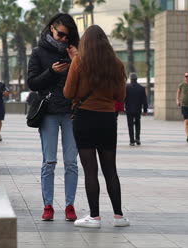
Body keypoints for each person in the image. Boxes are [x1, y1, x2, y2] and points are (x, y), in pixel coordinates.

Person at [64, 25, 130, 228]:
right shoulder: (117, 64)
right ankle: (119, 216)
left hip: (84, 118)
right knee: (110, 169)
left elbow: (68, 93)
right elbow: (120, 96)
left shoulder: (79, 61)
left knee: (90, 170)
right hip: (108, 119)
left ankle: (94, 217)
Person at [27, 13, 80, 222]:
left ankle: (70, 206)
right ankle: (48, 205)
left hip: (70, 112)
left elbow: (87, 78)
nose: (64, 39)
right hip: (48, 112)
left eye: (68, 36)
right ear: (51, 28)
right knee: (49, 161)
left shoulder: (74, 51)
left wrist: (77, 59)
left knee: (71, 163)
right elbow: (32, 83)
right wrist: (51, 71)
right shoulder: (38, 52)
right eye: (60, 34)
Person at [125, 73, 148, 146]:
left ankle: (132, 141)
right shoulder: (141, 88)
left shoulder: (126, 88)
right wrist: (145, 110)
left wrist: (122, 107)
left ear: (130, 79)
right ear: (136, 79)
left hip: (129, 109)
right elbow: (144, 100)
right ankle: (137, 138)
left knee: (130, 125)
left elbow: (123, 99)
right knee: (137, 124)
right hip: (138, 109)